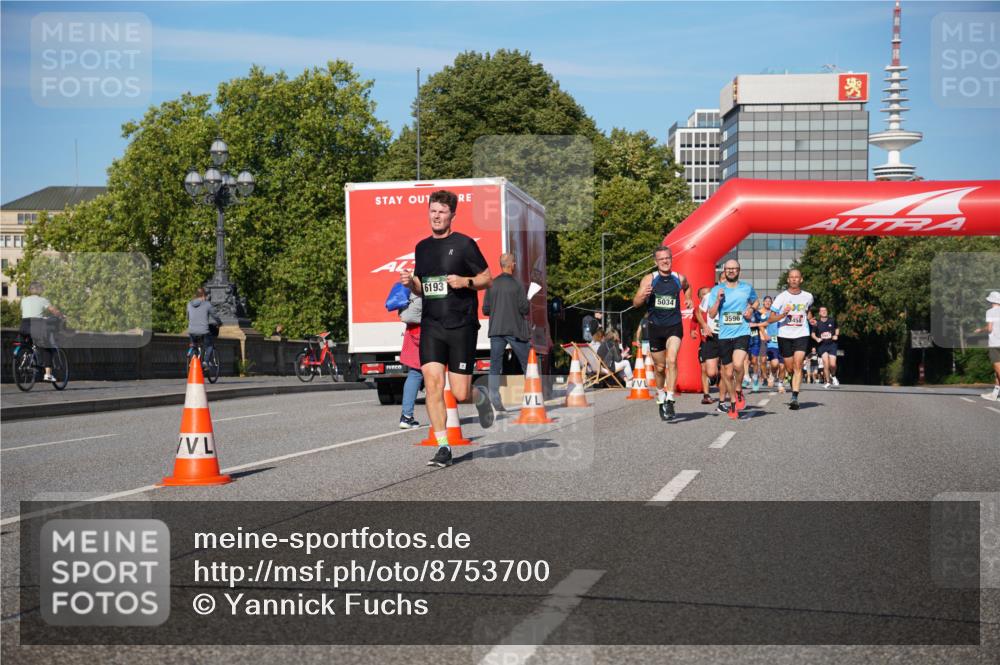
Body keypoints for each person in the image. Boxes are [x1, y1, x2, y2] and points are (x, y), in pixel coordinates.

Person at [401, 190, 494, 468]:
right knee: (432, 384)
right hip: (432, 324)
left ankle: (480, 396)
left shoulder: (465, 245)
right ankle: (443, 446)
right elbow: (422, 285)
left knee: (460, 393)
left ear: (452, 214)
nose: (437, 216)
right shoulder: (422, 247)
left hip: (461, 325)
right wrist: (410, 283)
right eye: (433, 211)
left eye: (442, 211)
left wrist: (464, 282)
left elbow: (487, 279)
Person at [632, 246, 691, 421]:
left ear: (671, 259)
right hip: (655, 327)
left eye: (668, 258)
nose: (665, 261)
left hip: (674, 326)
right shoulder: (649, 279)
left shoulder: (679, 278)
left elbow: (688, 288)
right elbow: (635, 303)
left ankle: (670, 399)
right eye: (661, 259)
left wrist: (688, 298)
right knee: (659, 368)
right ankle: (660, 396)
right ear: (655, 262)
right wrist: (643, 295)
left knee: (671, 359)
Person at [704, 260, 758, 419]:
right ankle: (733, 402)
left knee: (738, 364)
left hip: (742, 331)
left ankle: (739, 388)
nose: (731, 271)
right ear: (724, 271)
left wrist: (750, 309)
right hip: (724, 335)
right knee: (726, 373)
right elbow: (712, 314)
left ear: (739, 270)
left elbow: (755, 301)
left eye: (734, 269)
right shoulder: (716, 290)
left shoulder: (747, 288)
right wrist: (718, 300)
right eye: (728, 269)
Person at [482, 252, 531, 412]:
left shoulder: (491, 284)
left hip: (496, 329)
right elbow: (524, 308)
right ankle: (532, 396)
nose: (515, 265)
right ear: (511, 265)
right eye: (514, 263)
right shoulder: (517, 285)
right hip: (514, 330)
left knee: (495, 365)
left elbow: (486, 310)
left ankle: (495, 399)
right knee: (527, 363)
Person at [766, 268, 814, 410]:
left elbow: (808, 311)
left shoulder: (808, 296)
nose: (794, 279)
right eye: (791, 277)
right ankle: (791, 379)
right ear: (788, 280)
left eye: (796, 277)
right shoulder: (781, 297)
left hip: (801, 333)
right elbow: (770, 318)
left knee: (798, 364)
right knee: (789, 367)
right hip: (785, 335)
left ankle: (794, 397)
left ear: (801, 279)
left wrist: (811, 320)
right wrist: (782, 315)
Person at [19, 281, 63, 382]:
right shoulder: (43, 300)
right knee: (46, 348)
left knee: (28, 344)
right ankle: (48, 374)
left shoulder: (23, 300)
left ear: (30, 290)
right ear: (39, 290)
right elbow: (53, 310)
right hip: (37, 325)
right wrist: (61, 315)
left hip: (24, 325)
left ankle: (25, 358)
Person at [398, 291, 424, 429]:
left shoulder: (411, 283)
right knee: (438, 371)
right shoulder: (436, 275)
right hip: (431, 329)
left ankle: (406, 416)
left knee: (415, 373)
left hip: (413, 331)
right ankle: (442, 415)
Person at [973, 291, 1000, 401]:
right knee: (997, 370)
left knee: (998, 369)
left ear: (991, 301)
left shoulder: (990, 312)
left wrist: (980, 330)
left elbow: (989, 328)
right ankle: (995, 394)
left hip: (995, 343)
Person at [693, 286, 718, 405]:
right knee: (704, 368)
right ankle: (706, 395)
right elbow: (693, 320)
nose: (706, 296)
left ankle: (716, 378)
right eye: (703, 294)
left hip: (718, 339)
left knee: (717, 369)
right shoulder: (698, 310)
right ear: (699, 297)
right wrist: (692, 330)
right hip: (705, 341)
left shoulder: (716, 307)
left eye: (709, 293)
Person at [186, 286, 222, 362]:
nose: (205, 298)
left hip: (192, 331)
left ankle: (193, 361)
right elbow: (215, 316)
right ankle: (205, 362)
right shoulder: (207, 304)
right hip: (203, 331)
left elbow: (188, 318)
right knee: (209, 345)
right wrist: (219, 323)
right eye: (205, 296)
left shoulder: (189, 304)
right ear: (203, 296)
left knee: (194, 345)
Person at [812, 306, 840, 388]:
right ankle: (828, 381)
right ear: (819, 313)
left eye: (825, 310)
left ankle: (834, 376)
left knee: (833, 365)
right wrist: (817, 338)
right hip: (822, 345)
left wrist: (836, 335)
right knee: (826, 364)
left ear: (827, 312)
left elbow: (837, 328)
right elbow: (812, 333)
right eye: (822, 311)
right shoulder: (816, 323)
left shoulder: (832, 320)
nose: (824, 312)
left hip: (832, 344)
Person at [761, 296, 785, 392]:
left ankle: (780, 384)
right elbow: (761, 325)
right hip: (772, 343)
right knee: (775, 364)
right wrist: (765, 334)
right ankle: (772, 374)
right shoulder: (768, 314)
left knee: (783, 366)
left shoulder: (786, 315)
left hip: (783, 343)